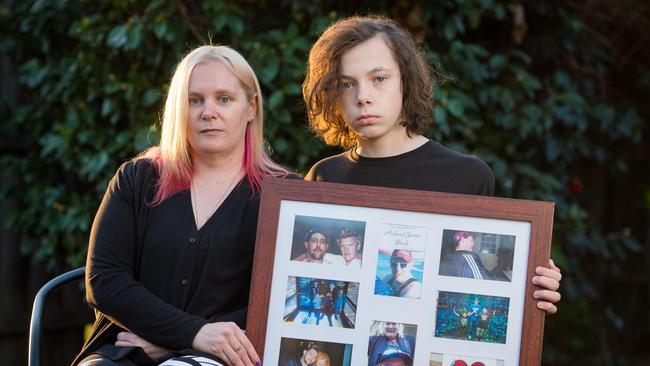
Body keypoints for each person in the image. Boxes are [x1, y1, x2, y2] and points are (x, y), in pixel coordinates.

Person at [302, 15, 562, 314]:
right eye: (347, 84)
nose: (363, 97)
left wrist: (535, 285)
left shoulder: (467, 176)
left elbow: (478, 277)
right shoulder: (325, 175)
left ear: (406, 81)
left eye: (380, 79)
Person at [73, 45, 292, 366]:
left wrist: (187, 344)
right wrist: (191, 333)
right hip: (128, 348)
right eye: (194, 100)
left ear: (252, 108)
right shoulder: (137, 179)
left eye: (224, 98)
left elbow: (281, 301)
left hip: (226, 357)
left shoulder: (284, 195)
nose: (209, 112)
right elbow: (105, 281)